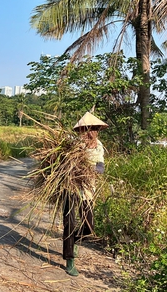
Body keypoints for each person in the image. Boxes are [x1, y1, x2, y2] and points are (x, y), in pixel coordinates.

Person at [63, 111, 107, 277]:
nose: (90, 132)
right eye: (86, 129)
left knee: (89, 226)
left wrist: (91, 170)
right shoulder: (73, 145)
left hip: (88, 189)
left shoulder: (99, 146)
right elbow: (65, 165)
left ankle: (74, 241)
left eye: (93, 129)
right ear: (81, 130)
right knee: (70, 223)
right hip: (71, 188)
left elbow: (101, 167)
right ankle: (70, 260)